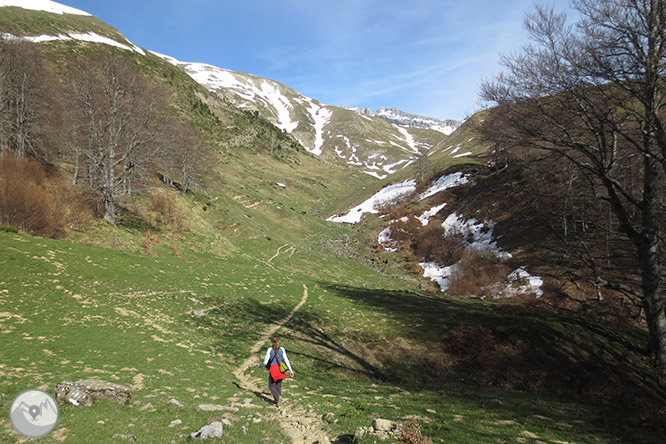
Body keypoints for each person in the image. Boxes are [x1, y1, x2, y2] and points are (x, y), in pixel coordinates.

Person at [258, 335, 294, 406]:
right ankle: (279, 400)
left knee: (271, 385)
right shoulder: (282, 349)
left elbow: (265, 362)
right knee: (278, 384)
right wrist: (291, 370)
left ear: (271, 341)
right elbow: (286, 360)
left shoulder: (269, 349)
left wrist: (261, 366)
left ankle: (277, 398)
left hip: (273, 368)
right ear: (278, 341)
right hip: (280, 368)